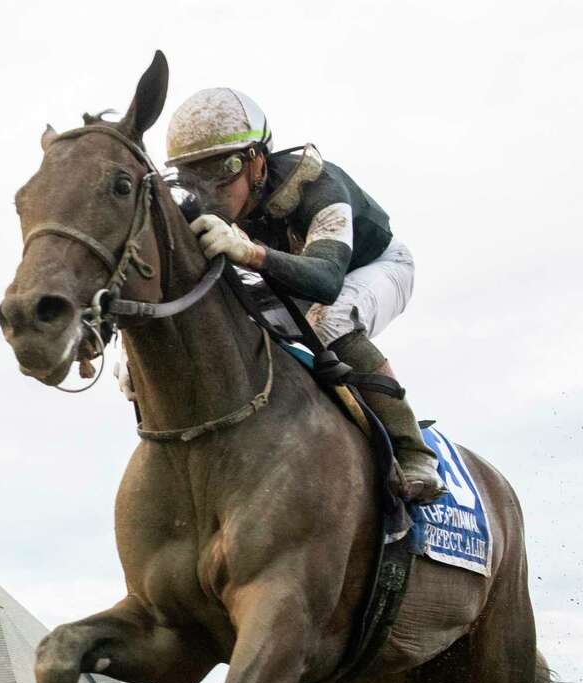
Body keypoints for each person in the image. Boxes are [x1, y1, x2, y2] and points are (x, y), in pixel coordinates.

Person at [152, 87, 445, 503]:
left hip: (373, 267)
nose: (210, 190)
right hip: (296, 277)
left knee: (331, 318)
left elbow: (326, 281)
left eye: (225, 168)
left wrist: (251, 252)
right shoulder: (208, 203)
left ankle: (414, 451)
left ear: (257, 161)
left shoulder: (319, 186)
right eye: (193, 174)